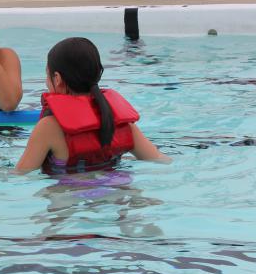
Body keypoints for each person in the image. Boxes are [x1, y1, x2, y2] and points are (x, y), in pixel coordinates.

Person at [16, 37, 171, 173]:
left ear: (57, 79)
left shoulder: (49, 127)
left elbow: (21, 174)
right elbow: (159, 159)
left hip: (67, 198)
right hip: (118, 193)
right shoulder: (119, 121)